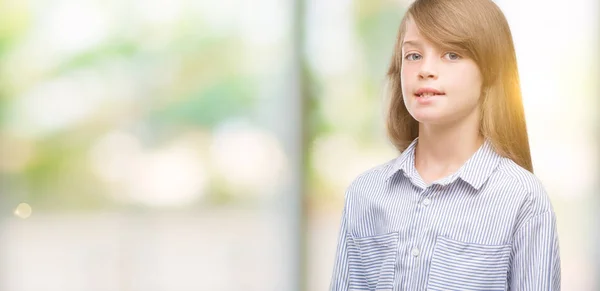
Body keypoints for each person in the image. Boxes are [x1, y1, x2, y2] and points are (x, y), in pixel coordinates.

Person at [329, 0, 561, 290]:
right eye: (413, 55)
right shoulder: (365, 194)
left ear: (489, 70)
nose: (425, 69)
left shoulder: (522, 199)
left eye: (451, 54)